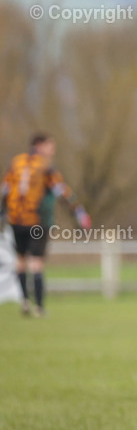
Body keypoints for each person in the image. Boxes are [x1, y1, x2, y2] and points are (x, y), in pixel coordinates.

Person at [1, 133, 90, 316]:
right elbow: (62, 191)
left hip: (16, 220)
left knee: (20, 261)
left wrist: (2, 213)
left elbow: (4, 190)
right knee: (36, 263)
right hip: (36, 221)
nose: (52, 150)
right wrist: (79, 212)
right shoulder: (46, 167)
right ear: (39, 146)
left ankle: (25, 302)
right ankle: (39, 307)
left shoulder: (16, 163)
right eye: (50, 146)